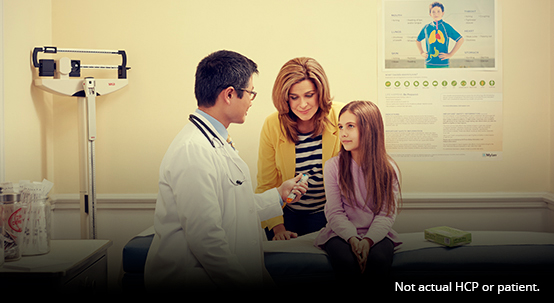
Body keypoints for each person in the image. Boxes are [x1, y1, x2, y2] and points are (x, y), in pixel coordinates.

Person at [144, 50, 308, 291]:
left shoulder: (215, 141)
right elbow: (207, 240)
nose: (252, 100)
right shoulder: (193, 150)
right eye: (251, 92)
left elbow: (232, 206)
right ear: (230, 94)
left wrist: (278, 194)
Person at [314, 101, 402, 286]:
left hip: (377, 234)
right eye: (340, 127)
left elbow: (386, 214)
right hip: (340, 234)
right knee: (346, 263)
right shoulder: (332, 167)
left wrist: (368, 241)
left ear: (370, 129)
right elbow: (335, 212)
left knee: (378, 261)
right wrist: (353, 239)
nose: (343, 133)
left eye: (350, 126)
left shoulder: (389, 169)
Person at [256, 57, 344, 240]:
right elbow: (266, 184)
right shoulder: (272, 125)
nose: (302, 105)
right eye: (294, 97)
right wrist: (278, 229)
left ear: (320, 92)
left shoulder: (342, 117)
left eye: (309, 95)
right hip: (286, 215)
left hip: (330, 214)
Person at [416, 1, 464, 68]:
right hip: (429, 63)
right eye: (433, 12)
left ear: (443, 13)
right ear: (430, 14)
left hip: (443, 63)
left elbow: (460, 39)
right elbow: (418, 40)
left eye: (438, 11)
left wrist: (450, 54)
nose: (436, 14)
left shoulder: (446, 27)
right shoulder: (427, 27)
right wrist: (421, 52)